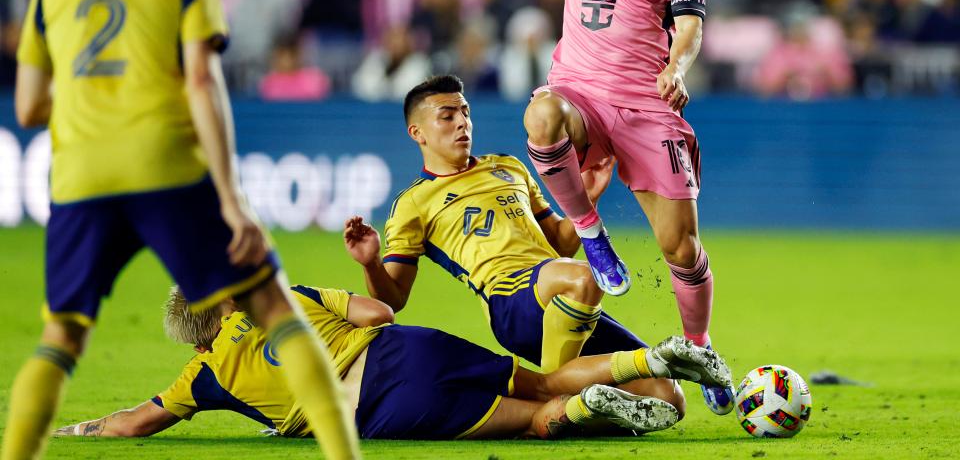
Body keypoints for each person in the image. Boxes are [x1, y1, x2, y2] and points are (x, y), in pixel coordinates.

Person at [3, 0, 359, 460]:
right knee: (275, 308)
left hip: (83, 169)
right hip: (166, 159)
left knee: (60, 336)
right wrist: (230, 198)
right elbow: (202, 82)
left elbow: (30, 106)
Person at [432, 0, 735, 414]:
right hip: (582, 93)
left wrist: (677, 65)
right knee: (541, 115)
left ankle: (701, 349)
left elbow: (690, 22)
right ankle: (593, 238)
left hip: (648, 104)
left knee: (682, 249)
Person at [344, 74, 725, 416]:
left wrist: (588, 196)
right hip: (512, 302)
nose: (462, 122)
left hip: (561, 292)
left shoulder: (508, 167)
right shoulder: (413, 204)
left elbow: (559, 245)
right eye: (447, 116)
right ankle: (550, 401)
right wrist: (371, 263)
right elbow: (392, 299)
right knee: (587, 277)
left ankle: (575, 406)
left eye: (465, 111)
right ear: (417, 133)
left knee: (667, 397)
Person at [52, 283, 730, 440]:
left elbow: (137, 422)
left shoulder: (200, 376)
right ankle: (657, 356)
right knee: (548, 375)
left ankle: (583, 413)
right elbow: (380, 313)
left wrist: (82, 429)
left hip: (384, 406)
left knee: (536, 419)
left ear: (197, 337)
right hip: (407, 347)